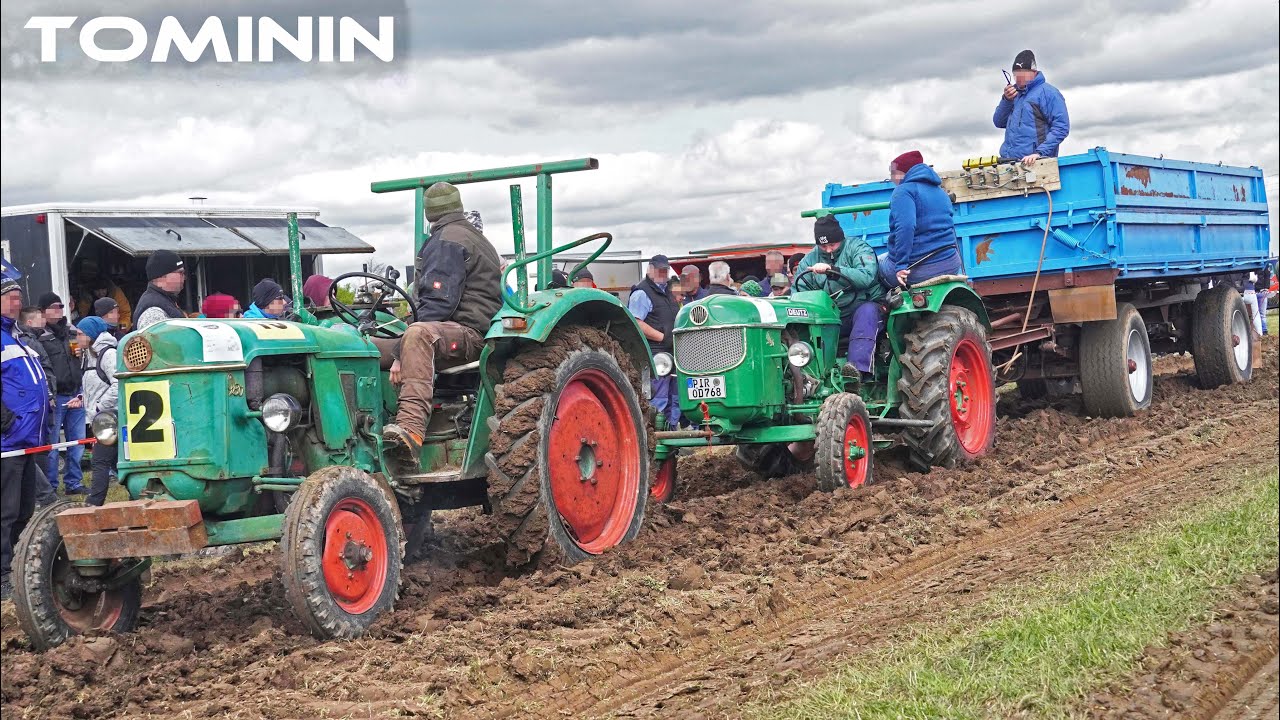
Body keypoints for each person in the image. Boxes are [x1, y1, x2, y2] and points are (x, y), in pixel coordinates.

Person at [382, 182, 502, 461]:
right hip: (450, 330)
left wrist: (401, 354)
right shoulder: (466, 234)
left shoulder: (449, 240)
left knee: (417, 336)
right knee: (363, 346)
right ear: (457, 206)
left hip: (470, 335)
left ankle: (410, 431)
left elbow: (438, 304)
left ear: (429, 213)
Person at [2, 276, 51, 599]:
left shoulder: (15, 337)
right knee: (4, 513)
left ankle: (15, 569)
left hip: (28, 440)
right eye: (11, 298)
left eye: (19, 297)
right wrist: (5, 422)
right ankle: (3, 575)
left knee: (23, 511)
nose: (18, 303)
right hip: (8, 442)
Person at [795, 216, 885, 377]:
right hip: (832, 315)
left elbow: (867, 275)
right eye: (823, 246)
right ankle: (810, 375)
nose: (828, 249)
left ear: (841, 238)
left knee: (867, 312)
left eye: (832, 244)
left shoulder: (857, 248)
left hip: (864, 305)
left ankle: (856, 374)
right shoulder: (808, 260)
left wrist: (834, 271)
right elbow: (798, 292)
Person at [887, 150, 964, 286]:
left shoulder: (903, 191)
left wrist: (901, 267)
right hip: (950, 262)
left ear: (905, 172)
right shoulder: (940, 192)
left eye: (893, 173)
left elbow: (906, 227)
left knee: (876, 267)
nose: (892, 178)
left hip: (922, 267)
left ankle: (880, 306)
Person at [36, 292, 87, 496]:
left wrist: (82, 350)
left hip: (75, 392)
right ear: (43, 310)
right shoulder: (38, 334)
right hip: (55, 397)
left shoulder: (71, 331)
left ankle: (74, 483)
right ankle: (51, 487)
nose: (59, 310)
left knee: (78, 443)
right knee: (53, 445)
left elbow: (86, 353)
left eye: (61, 306)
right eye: (55, 307)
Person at [628, 255, 680, 429]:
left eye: (665, 270)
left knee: (675, 401)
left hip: (671, 355)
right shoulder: (641, 293)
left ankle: (671, 440)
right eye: (659, 269)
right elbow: (636, 323)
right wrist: (662, 337)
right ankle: (654, 441)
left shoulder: (667, 292)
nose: (662, 273)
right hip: (655, 356)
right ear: (650, 269)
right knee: (658, 401)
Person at [993, 49, 1069, 165]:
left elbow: (1061, 127)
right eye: (1015, 74)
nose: (1018, 78)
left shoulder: (1049, 93)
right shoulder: (1014, 95)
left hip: (1037, 163)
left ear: (1033, 71)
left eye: (1022, 73)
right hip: (1009, 163)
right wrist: (1006, 100)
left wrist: (1039, 153)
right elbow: (998, 122)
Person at [77, 316, 119, 507]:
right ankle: (139, 496)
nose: (76, 338)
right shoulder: (90, 354)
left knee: (100, 461)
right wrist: (81, 399)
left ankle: (94, 502)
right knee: (117, 462)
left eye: (79, 334)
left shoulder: (108, 354)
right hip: (101, 416)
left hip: (110, 417)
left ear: (91, 335)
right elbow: (97, 385)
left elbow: (119, 384)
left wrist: (99, 406)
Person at [134, 250, 187, 330]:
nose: (184, 277)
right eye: (180, 273)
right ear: (162, 276)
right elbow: (154, 341)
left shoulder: (165, 300)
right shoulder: (153, 313)